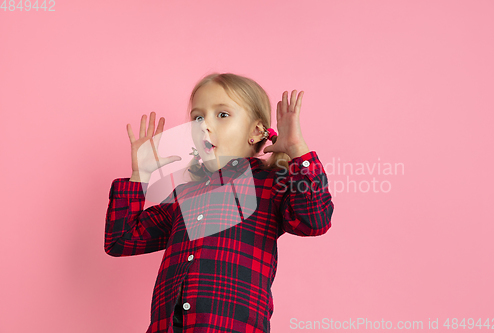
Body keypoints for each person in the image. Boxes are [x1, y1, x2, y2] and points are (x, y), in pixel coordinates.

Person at [105, 72, 334, 333]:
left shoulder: (273, 183)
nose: (204, 125)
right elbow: (121, 240)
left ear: (256, 131)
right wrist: (140, 176)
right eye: (197, 117)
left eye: (222, 115)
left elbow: (314, 221)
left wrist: (297, 150)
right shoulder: (184, 194)